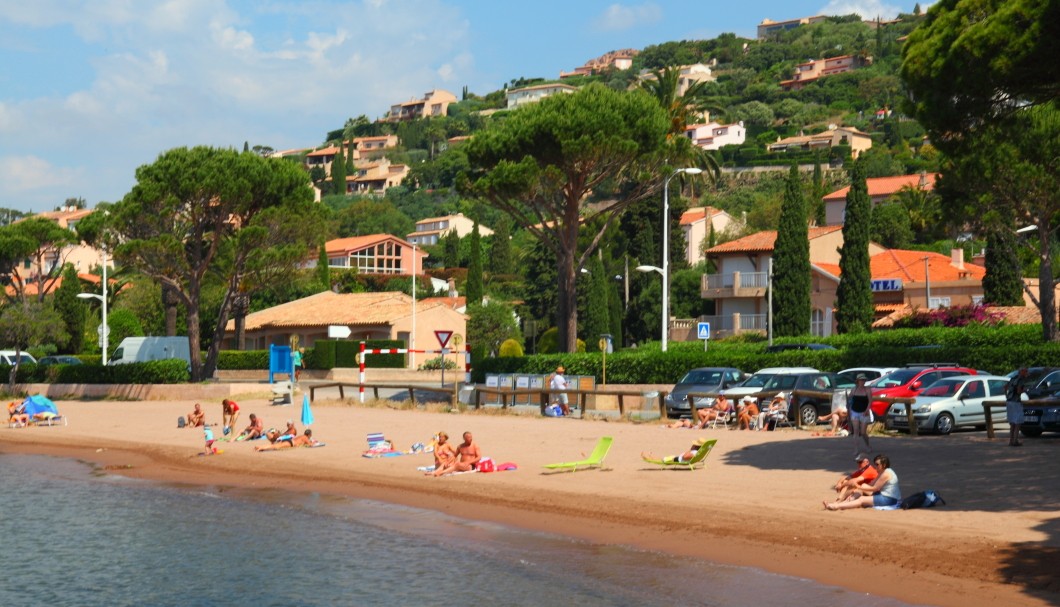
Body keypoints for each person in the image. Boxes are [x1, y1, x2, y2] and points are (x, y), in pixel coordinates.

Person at [824, 454, 900, 510]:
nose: (875, 466)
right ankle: (840, 504)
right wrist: (860, 487)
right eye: (875, 464)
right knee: (858, 489)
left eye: (877, 464)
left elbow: (875, 488)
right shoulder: (882, 472)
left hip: (889, 498)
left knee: (862, 499)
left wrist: (859, 486)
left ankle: (837, 506)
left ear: (884, 465)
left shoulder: (886, 474)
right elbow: (872, 483)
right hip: (883, 494)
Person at [847, 375, 874, 455]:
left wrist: (867, 410)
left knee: (863, 432)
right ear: (857, 381)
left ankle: (868, 445)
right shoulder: (854, 389)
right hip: (855, 411)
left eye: (864, 380)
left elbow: (870, 401)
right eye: (861, 380)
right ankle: (856, 449)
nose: (862, 382)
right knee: (855, 431)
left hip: (864, 412)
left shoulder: (867, 390)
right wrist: (849, 407)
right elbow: (849, 399)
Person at [641, 437, 708, 464]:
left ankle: (648, 457)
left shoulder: (693, 452)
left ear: (696, 446)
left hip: (678, 459)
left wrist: (690, 450)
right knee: (664, 458)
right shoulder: (698, 453)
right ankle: (650, 456)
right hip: (678, 458)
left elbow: (685, 457)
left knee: (662, 460)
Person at [1006, 367, 1028, 447]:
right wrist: (1024, 390)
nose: (1027, 373)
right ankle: (1015, 441)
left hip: (1009, 401)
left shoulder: (1012, 378)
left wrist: (1007, 396)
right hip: (1016, 402)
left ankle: (1011, 441)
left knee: (1012, 423)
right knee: (1018, 422)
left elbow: (1005, 388)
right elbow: (1019, 391)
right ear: (1021, 372)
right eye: (1025, 371)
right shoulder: (1020, 380)